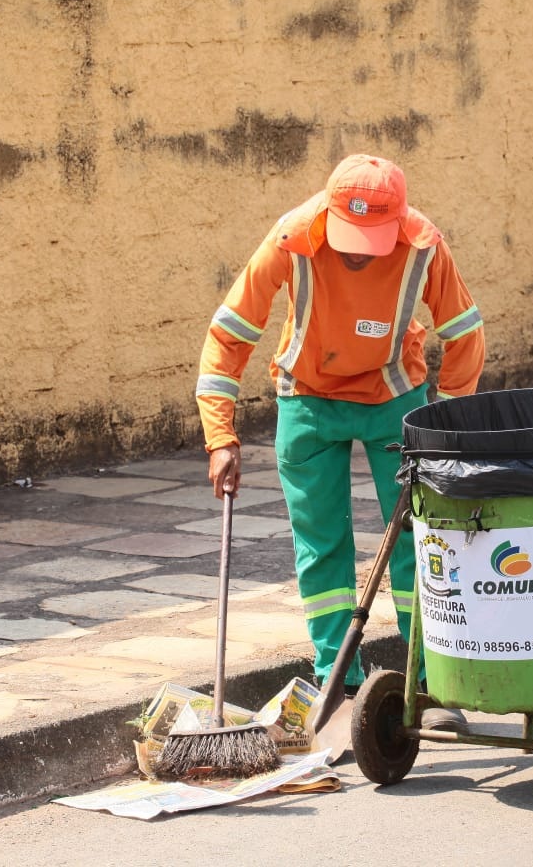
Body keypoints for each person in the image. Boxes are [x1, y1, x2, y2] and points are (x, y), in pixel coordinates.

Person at [195, 153, 485, 721]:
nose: (357, 250)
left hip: (393, 401)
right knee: (321, 544)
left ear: (398, 222)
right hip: (307, 401)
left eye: (372, 236)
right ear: (328, 212)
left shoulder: (424, 244)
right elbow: (229, 333)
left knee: (414, 543)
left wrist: (447, 425)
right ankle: (338, 682)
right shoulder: (291, 238)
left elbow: (464, 333)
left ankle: (425, 685)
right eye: (350, 234)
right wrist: (220, 435)